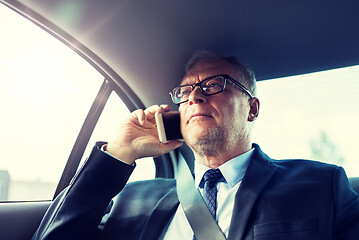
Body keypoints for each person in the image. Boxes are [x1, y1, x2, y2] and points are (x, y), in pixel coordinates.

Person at [32, 51, 359, 240]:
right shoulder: (133, 198)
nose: (195, 96)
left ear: (253, 109)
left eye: (214, 85)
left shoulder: (322, 185)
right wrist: (118, 153)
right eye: (185, 92)